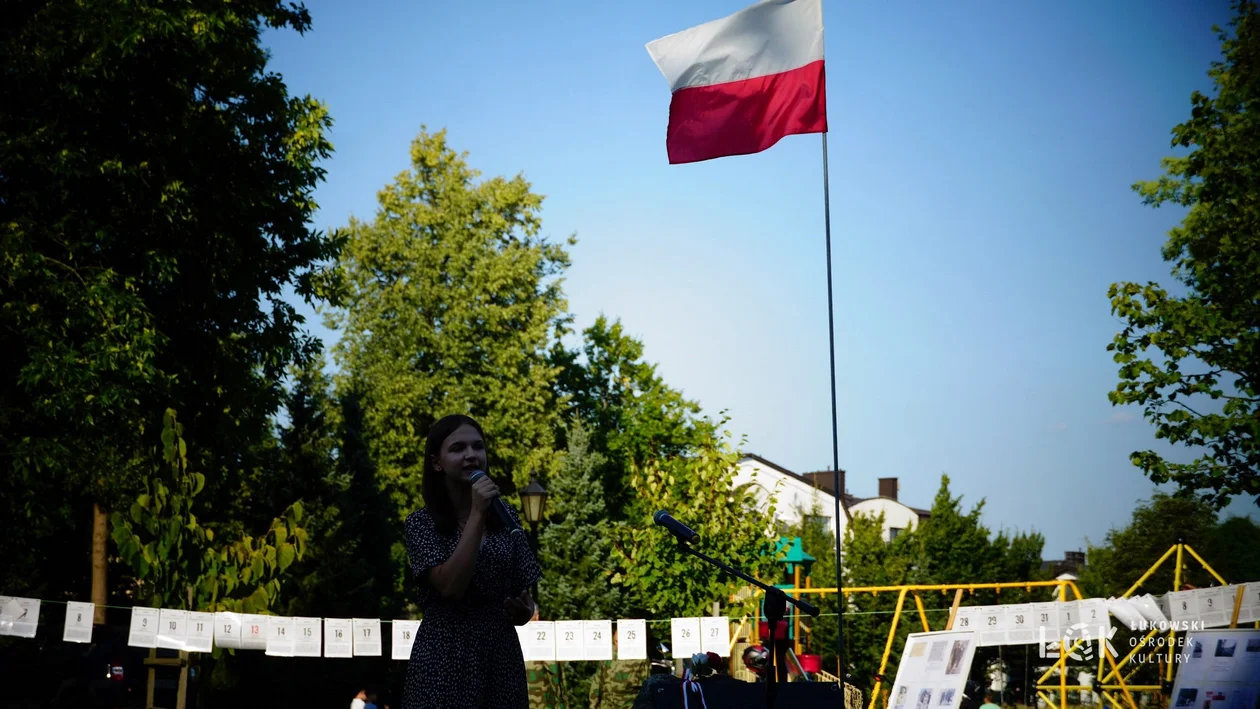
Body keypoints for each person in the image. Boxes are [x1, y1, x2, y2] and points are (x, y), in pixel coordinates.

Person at [402, 414, 541, 709]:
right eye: (457, 448)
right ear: (436, 462)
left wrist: (524, 610)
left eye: (478, 447)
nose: (471, 455)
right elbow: (450, 587)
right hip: (446, 656)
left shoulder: (507, 518)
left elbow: (523, 592)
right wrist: (478, 513)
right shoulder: (421, 524)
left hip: (500, 656)